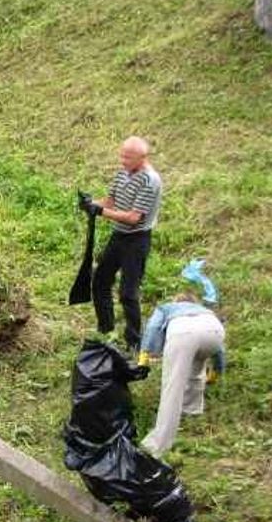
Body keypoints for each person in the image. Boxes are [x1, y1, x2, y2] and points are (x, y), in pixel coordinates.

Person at [78, 136, 163, 349]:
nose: (123, 161)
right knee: (100, 280)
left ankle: (134, 341)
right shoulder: (123, 173)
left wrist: (101, 212)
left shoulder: (150, 181)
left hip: (137, 240)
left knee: (128, 293)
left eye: (128, 158)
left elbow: (134, 218)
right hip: (119, 236)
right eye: (122, 156)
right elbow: (109, 202)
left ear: (142, 158)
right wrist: (90, 203)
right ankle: (106, 329)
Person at [138, 292, 225, 457]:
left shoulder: (167, 308)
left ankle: (157, 446)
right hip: (215, 332)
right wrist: (216, 372)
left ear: (177, 301)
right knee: (197, 363)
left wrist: (145, 356)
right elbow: (220, 350)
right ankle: (191, 410)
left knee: (173, 387)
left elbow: (153, 328)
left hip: (183, 333)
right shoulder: (205, 312)